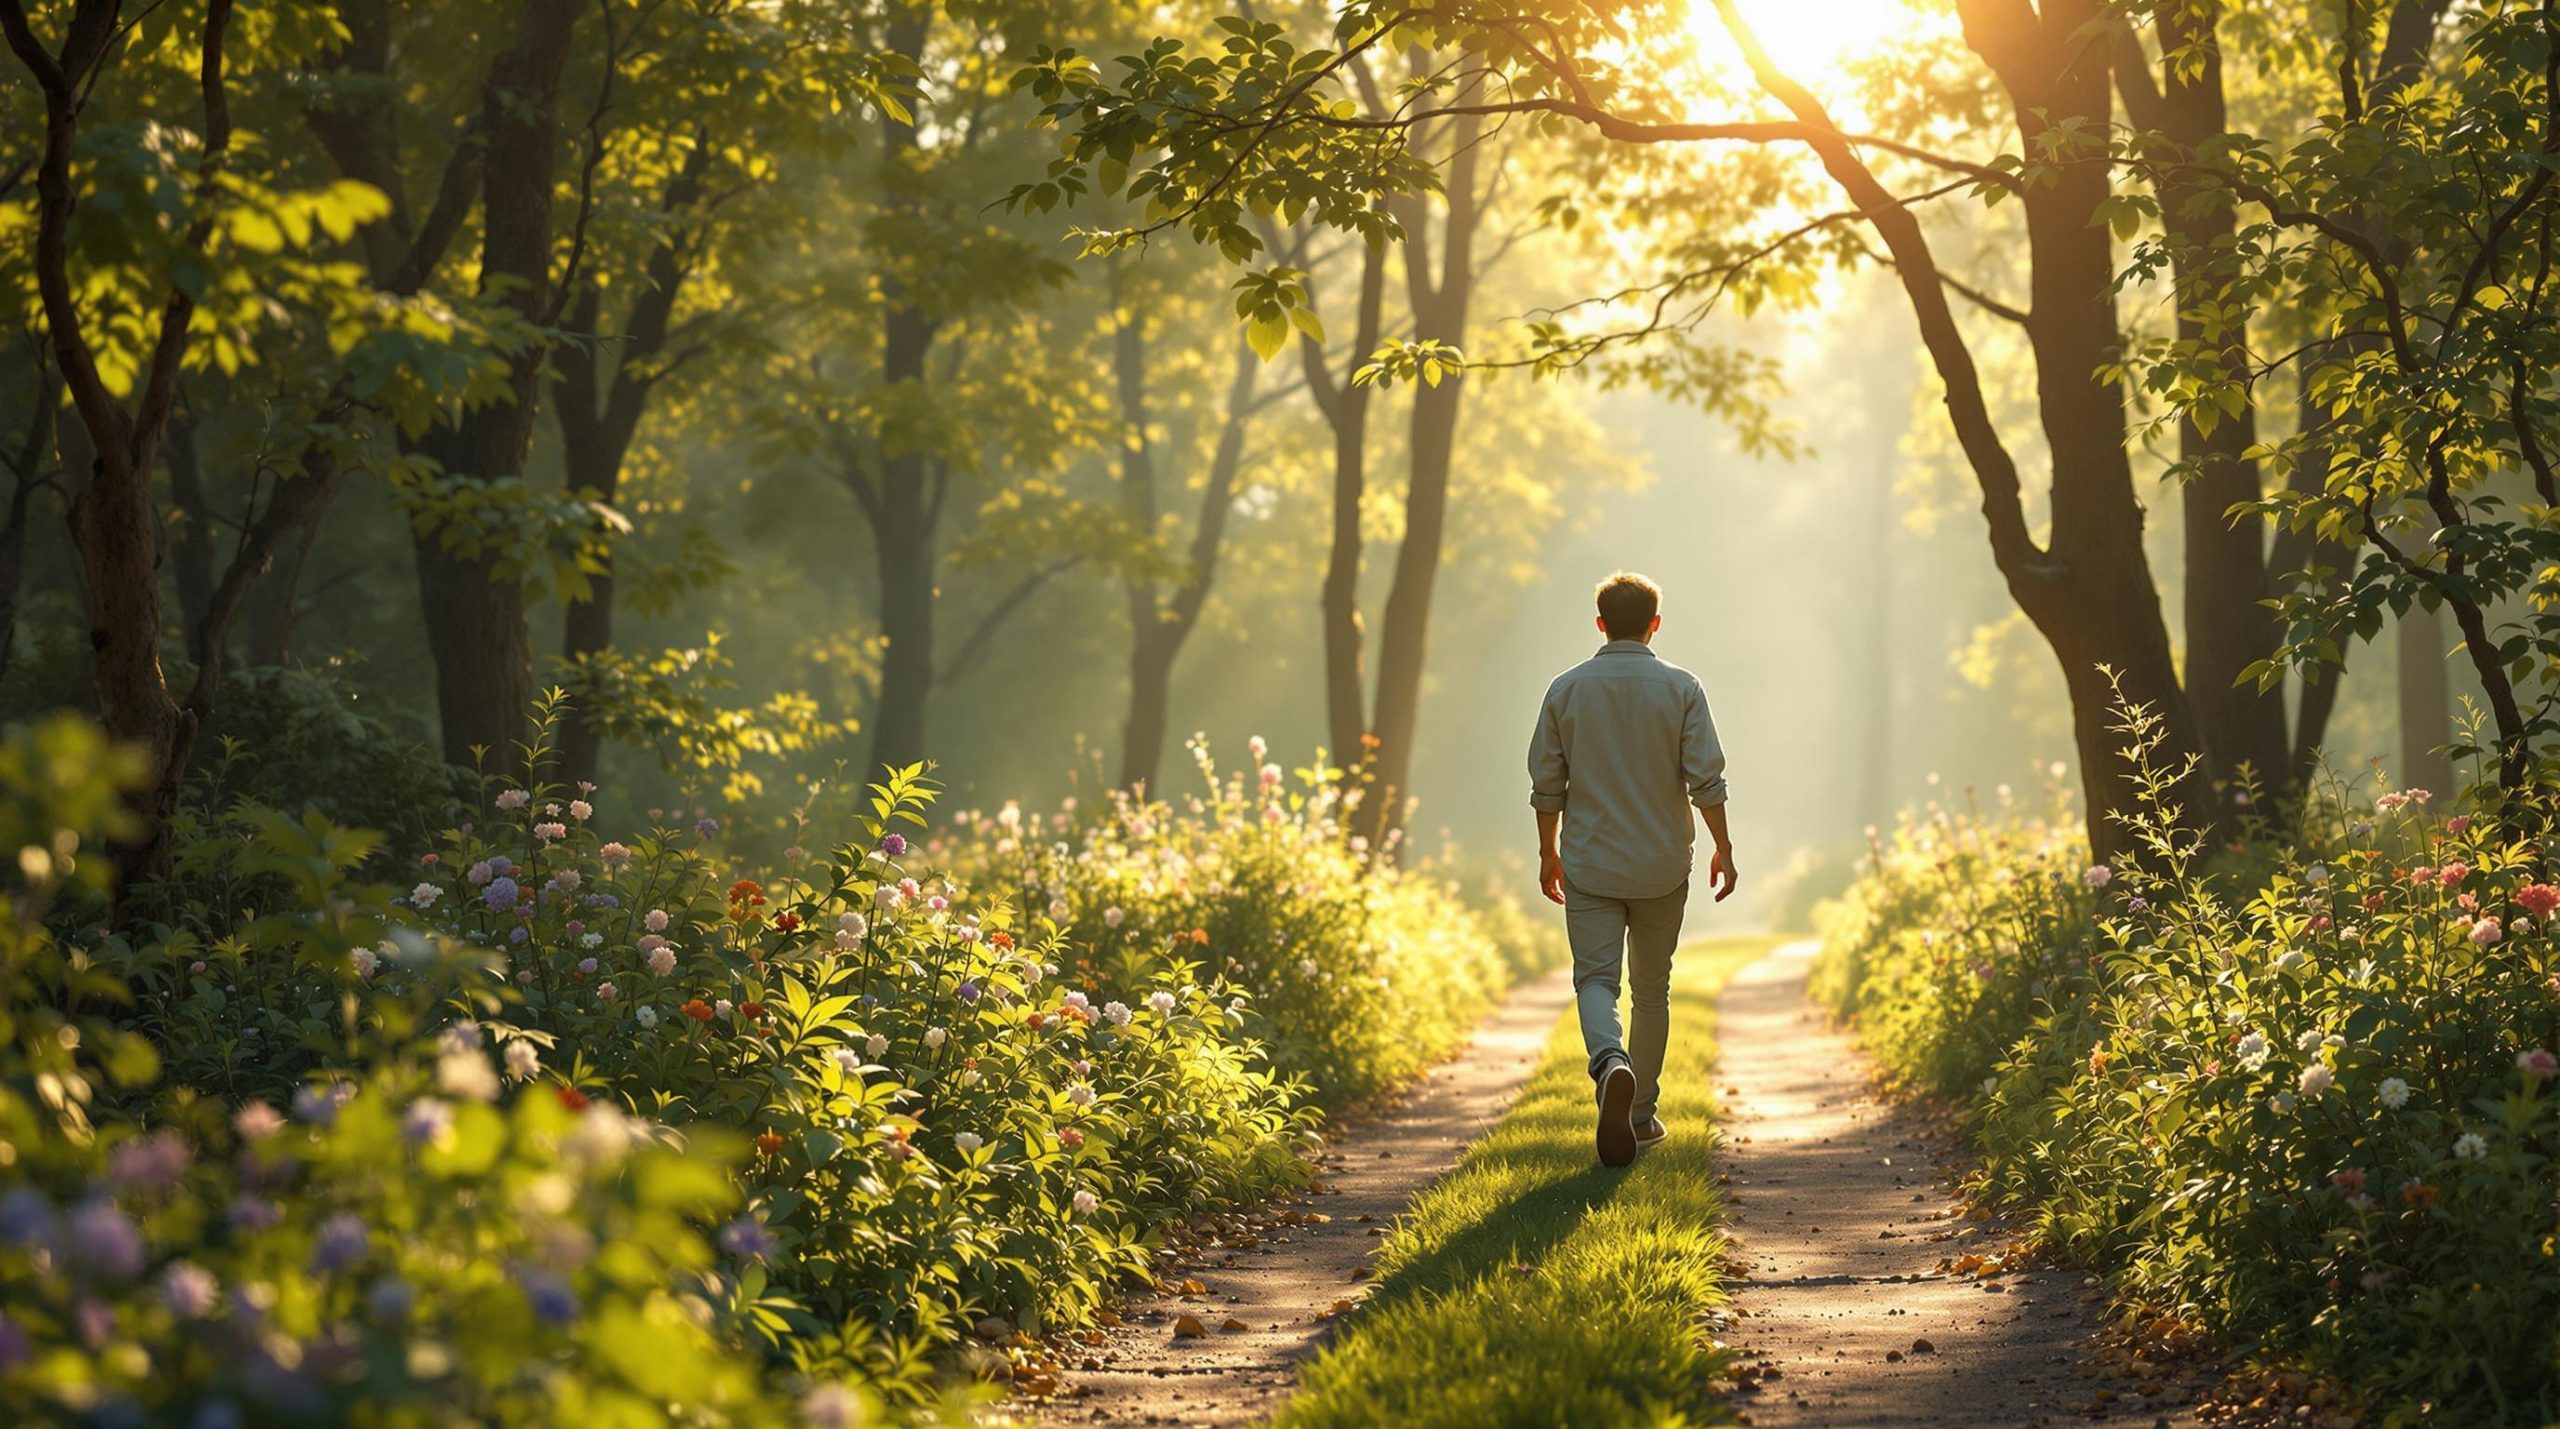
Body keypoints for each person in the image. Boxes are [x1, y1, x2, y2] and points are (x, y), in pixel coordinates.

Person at [1526, 571, 1736, 1167]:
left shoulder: (1565, 690)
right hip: (1662, 865)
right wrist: (1723, 846)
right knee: (1651, 989)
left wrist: (1549, 851)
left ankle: (1608, 1064)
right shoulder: (1682, 687)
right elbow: (1707, 780)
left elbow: (1547, 784)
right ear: (1655, 624)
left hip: (1591, 862)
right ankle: (1640, 1115)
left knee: (1595, 981)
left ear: (1599, 624)